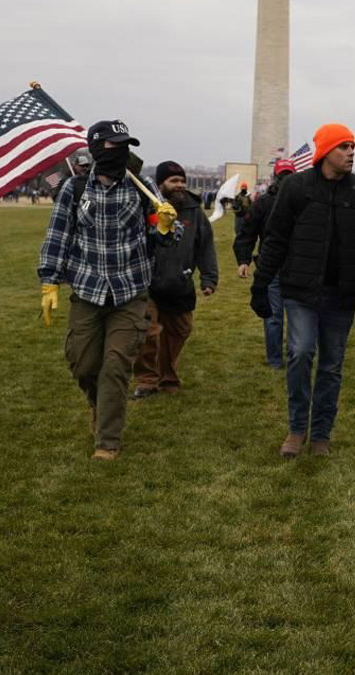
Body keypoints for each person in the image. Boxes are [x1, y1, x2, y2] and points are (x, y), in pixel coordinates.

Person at [250, 123, 355, 458]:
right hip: (300, 290)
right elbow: (275, 239)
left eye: (353, 146)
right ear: (326, 151)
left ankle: (320, 434)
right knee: (300, 353)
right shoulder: (296, 187)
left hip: (342, 294)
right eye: (344, 146)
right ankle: (296, 429)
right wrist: (261, 285)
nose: (351, 152)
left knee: (331, 366)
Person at [37, 119, 179, 460]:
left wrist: (165, 226)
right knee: (84, 365)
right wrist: (49, 281)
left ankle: (108, 441)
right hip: (87, 290)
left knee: (115, 366)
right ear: (97, 148)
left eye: (126, 145)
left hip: (130, 291)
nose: (122, 151)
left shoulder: (142, 186)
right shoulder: (74, 188)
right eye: (116, 144)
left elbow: (166, 236)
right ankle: (98, 405)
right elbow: (58, 235)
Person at [133, 161, 218, 397]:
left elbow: (206, 246)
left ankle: (168, 376)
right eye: (174, 181)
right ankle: (147, 380)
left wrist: (209, 279)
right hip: (148, 284)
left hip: (180, 283)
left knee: (180, 331)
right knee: (147, 333)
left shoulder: (194, 210)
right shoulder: (147, 207)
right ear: (160, 184)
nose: (180, 185)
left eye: (182, 181)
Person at [237, 159, 296, 368]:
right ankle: (277, 359)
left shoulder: (301, 202)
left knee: (294, 317)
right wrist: (243, 260)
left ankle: (289, 358)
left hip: (295, 267)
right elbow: (248, 233)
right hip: (273, 266)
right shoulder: (263, 203)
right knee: (275, 315)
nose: (285, 180)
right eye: (283, 176)